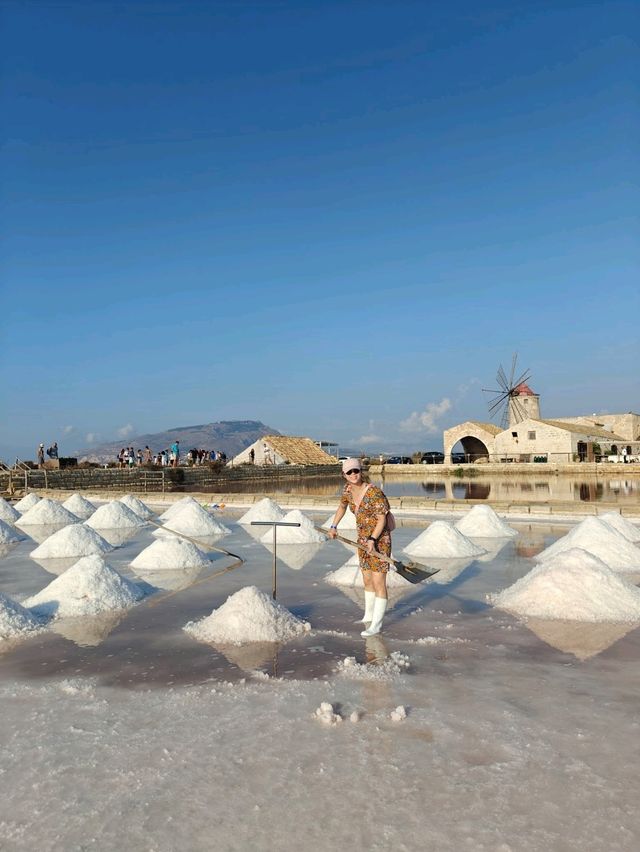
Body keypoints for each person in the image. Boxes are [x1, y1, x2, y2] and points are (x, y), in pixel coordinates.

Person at [327, 458, 392, 637]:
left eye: (356, 471)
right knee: (367, 580)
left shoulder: (374, 492)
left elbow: (382, 519)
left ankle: (377, 625)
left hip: (379, 541)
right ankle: (368, 616)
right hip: (362, 541)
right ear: (344, 475)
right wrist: (333, 526)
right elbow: (341, 507)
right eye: (349, 472)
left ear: (361, 471)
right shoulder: (347, 490)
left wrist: (372, 539)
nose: (353, 475)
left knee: (379, 582)